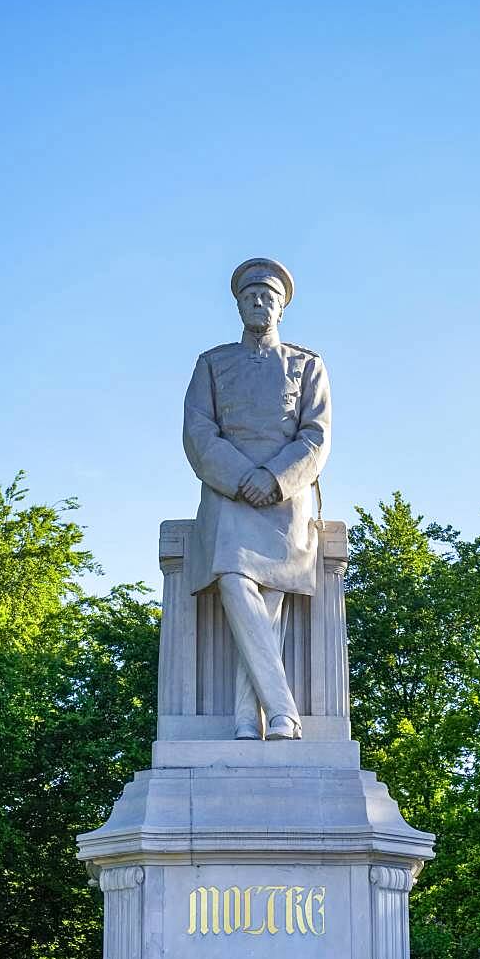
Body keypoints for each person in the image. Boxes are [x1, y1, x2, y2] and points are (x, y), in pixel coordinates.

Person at [183, 258, 331, 740]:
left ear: (282, 308)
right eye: (250, 296)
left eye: (268, 297)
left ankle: (252, 718)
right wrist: (242, 475)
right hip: (229, 493)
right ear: (238, 304)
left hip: (286, 497)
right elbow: (198, 431)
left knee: (270, 599)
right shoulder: (212, 363)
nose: (258, 303)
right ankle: (282, 708)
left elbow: (316, 434)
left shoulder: (307, 364)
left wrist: (274, 478)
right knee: (232, 579)